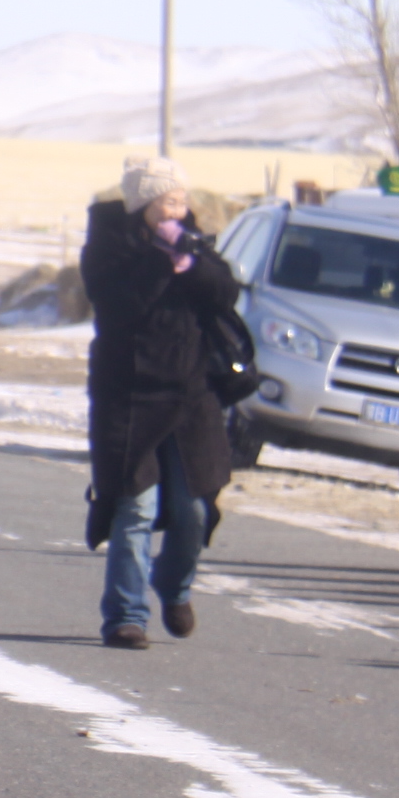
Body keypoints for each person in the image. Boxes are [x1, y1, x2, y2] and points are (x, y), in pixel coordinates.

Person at [79, 157, 244, 650]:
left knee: (193, 509)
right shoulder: (109, 248)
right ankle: (126, 616)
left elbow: (225, 294)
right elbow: (120, 306)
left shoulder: (193, 242)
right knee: (135, 510)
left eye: (181, 198)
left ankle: (174, 587)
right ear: (144, 206)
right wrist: (158, 262)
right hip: (129, 400)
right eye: (168, 200)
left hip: (191, 399)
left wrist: (190, 264)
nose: (179, 208)